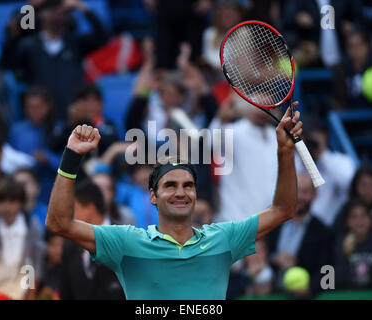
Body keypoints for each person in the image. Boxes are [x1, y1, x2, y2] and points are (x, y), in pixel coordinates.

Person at [45, 100, 304, 300]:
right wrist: (71, 156)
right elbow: (59, 223)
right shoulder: (126, 242)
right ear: (153, 197)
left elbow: (284, 209)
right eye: (170, 185)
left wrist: (284, 151)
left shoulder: (224, 238)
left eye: (188, 186)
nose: (181, 192)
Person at [14, 0, 107, 119]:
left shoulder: (75, 43)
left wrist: (82, 7)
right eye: (49, 9)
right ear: (40, 14)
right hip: (42, 120)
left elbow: (103, 37)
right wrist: (30, 8)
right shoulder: (29, 45)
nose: (55, 14)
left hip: (73, 116)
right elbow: (13, 39)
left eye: (59, 10)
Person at [266, 173, 333, 297]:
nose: (299, 197)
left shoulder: (323, 233)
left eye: (305, 192)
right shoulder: (272, 224)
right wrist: (274, 258)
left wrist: (309, 289)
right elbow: (259, 253)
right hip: (272, 294)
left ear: (314, 195)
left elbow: (328, 270)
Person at [59, 180, 125, 300]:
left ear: (90, 208)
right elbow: (66, 290)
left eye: (74, 209)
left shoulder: (123, 238)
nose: (70, 215)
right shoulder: (70, 245)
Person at [9, 85, 61, 203]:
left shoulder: (59, 130)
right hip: (22, 189)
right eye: (29, 108)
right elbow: (9, 157)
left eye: (37, 107)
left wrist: (48, 158)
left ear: (47, 106)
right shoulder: (17, 130)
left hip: (51, 187)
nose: (33, 112)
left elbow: (70, 164)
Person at [334, 200, 372, 289]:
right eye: (353, 217)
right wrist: (345, 256)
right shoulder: (339, 242)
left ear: (371, 219)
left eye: (364, 216)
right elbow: (337, 282)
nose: (359, 221)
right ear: (346, 221)